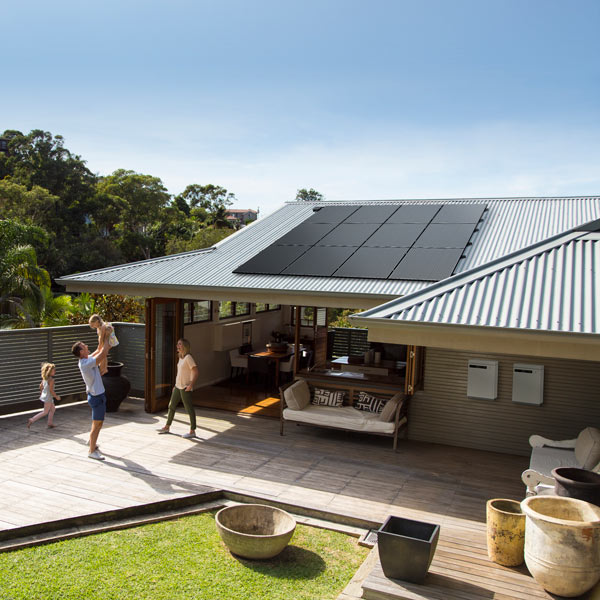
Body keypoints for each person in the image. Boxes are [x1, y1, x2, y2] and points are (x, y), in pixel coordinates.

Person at [71, 340, 110, 460]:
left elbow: (99, 350)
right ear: (81, 351)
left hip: (97, 395)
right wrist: (108, 341)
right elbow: (102, 354)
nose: (87, 346)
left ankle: (91, 442)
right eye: (84, 346)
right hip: (96, 397)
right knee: (97, 424)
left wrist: (103, 338)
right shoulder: (86, 363)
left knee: (98, 423)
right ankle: (91, 451)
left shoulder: (87, 360)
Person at [157, 338, 198, 438]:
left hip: (185, 387)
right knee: (171, 406)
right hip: (178, 387)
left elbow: (196, 371)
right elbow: (179, 373)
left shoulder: (188, 357)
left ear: (184, 346)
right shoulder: (181, 357)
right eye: (177, 344)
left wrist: (191, 385)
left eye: (179, 344)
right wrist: (175, 386)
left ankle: (192, 431)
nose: (177, 346)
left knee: (189, 408)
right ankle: (167, 427)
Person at [27, 362, 61, 429]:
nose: (55, 371)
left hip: (46, 396)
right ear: (49, 371)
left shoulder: (45, 379)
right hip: (48, 397)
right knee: (45, 412)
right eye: (54, 370)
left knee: (53, 409)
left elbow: (41, 386)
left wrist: (41, 393)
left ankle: (50, 423)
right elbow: (51, 391)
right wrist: (56, 396)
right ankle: (32, 419)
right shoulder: (51, 380)